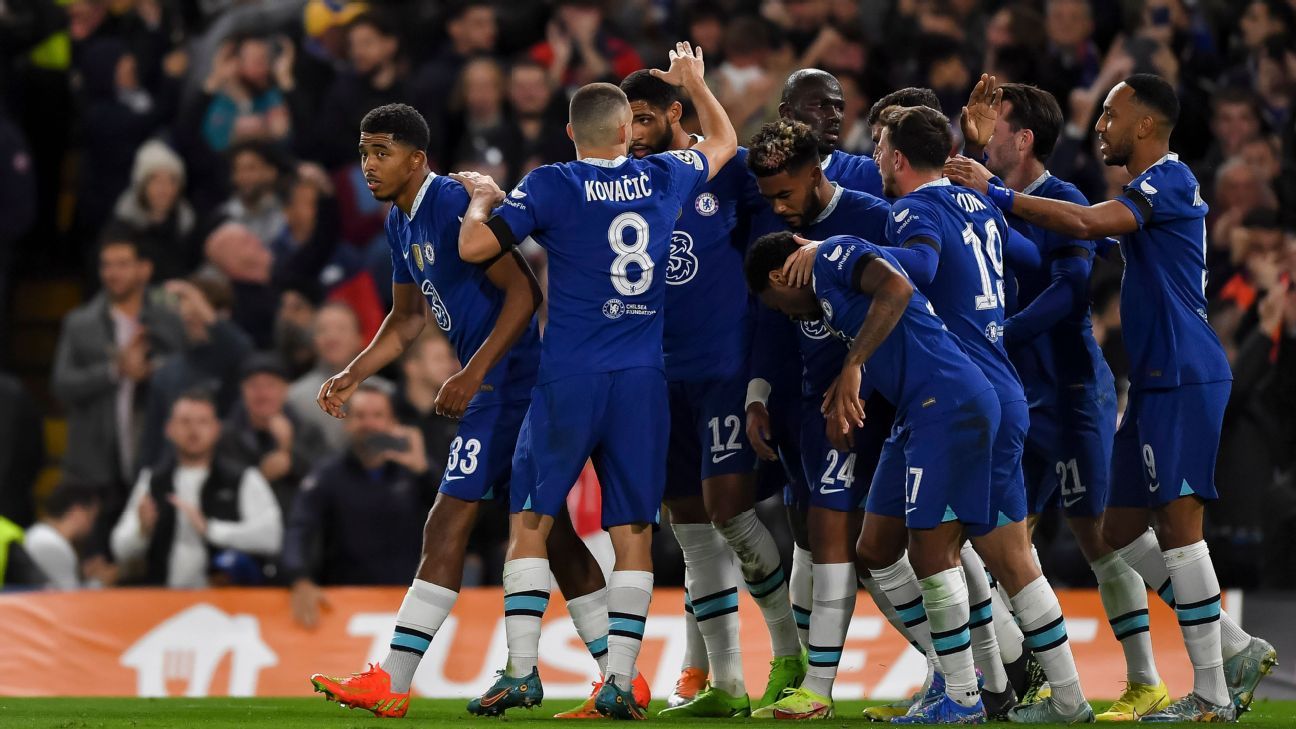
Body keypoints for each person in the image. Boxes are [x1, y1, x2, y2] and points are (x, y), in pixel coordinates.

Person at [946, 72, 1278, 722]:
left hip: (1184, 372)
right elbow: (1082, 231)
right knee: (1117, 531)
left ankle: (1212, 693)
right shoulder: (1142, 196)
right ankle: (1235, 646)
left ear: (1145, 124)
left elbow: (1082, 221)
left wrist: (999, 193)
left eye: (1109, 114)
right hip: (1151, 381)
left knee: (1179, 531)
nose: (1100, 125)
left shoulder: (1168, 179)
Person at [307, 103, 617, 720]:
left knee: (447, 521)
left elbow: (524, 293)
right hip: (495, 388)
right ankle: (619, 677)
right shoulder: (399, 221)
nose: (369, 165)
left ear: (417, 159)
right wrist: (353, 372)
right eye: (364, 152)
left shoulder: (452, 203)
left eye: (382, 152)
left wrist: (473, 372)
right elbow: (406, 320)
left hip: (512, 387)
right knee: (553, 537)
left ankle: (393, 680)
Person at [454, 42, 736, 719]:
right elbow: (725, 141)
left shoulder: (552, 183)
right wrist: (695, 84)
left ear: (571, 132)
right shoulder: (665, 174)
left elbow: (474, 247)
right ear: (625, 130)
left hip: (570, 375)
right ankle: (619, 680)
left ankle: (522, 671)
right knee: (634, 530)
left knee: (531, 519)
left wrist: (482, 200)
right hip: (642, 378)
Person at [961, 78, 1171, 720]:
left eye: (996, 127)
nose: (988, 139)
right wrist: (967, 148)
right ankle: (1006, 674)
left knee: (1099, 535)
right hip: (1015, 396)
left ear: (1023, 139)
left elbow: (1069, 290)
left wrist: (1000, 331)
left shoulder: (1064, 199)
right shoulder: (982, 195)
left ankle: (1148, 676)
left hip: (1072, 390)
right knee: (996, 538)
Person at [745, 231, 998, 722]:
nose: (785, 314)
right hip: (914, 413)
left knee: (934, 553)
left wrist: (853, 365)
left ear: (779, 277)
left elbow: (897, 286)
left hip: (946, 401)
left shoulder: (831, 258)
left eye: (776, 304)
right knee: (876, 550)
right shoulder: (827, 278)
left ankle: (967, 696)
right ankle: (947, 671)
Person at [619, 70, 799, 719]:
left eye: (645, 118)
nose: (634, 134)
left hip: (724, 369)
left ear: (676, 113)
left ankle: (789, 654)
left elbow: (769, 253)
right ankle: (724, 682)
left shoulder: (728, 171)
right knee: (691, 529)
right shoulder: (628, 181)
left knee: (731, 512)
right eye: (627, 122)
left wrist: (762, 374)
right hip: (659, 376)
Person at [741, 118, 900, 720]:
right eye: (769, 198)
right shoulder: (777, 230)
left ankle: (979, 671)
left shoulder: (871, 217)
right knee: (830, 537)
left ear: (815, 174)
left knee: (917, 547)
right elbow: (771, 321)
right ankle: (959, 676)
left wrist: (859, 371)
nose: (778, 207)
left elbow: (909, 294)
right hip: (816, 406)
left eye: (786, 193)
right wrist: (758, 394)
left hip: (881, 404)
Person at [51, 234, 185, 536]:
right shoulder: (80, 323)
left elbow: (185, 369)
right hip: (96, 464)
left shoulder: (168, 318)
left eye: (123, 264)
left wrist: (150, 370)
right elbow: (62, 385)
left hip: (153, 455)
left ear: (144, 269)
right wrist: (115, 371)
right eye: (107, 265)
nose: (113, 273)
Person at [285, 385, 437, 625]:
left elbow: (461, 520)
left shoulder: (413, 471)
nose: (369, 424)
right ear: (346, 423)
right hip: (345, 603)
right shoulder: (327, 475)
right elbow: (301, 527)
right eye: (360, 416)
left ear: (393, 423)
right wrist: (300, 578)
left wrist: (424, 471)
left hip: (409, 603)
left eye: (377, 415)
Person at [110, 389, 282, 588]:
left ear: (217, 429)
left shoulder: (244, 478)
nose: (193, 430)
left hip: (225, 600)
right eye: (185, 422)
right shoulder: (152, 479)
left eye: (202, 422)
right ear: (169, 429)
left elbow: (272, 537)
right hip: (162, 597)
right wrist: (142, 531)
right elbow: (119, 548)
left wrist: (211, 529)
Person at [218, 354, 328, 516]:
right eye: (254, 386)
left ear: (286, 389)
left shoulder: (308, 431)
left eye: (271, 385)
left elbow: (325, 476)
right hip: (243, 520)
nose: (262, 394)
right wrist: (259, 477)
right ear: (242, 390)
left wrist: (290, 450)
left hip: (297, 520)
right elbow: (221, 479)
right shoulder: (226, 435)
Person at [287, 302, 391, 453]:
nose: (332, 337)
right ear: (314, 340)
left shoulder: (386, 392)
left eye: (342, 329)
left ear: (359, 338)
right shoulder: (295, 398)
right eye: (323, 330)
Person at [24, 482, 101, 590]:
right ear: (78, 512)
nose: (92, 526)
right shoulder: (52, 544)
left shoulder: (40, 534)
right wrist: (100, 582)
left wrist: (83, 575)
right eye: (92, 517)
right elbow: (69, 597)